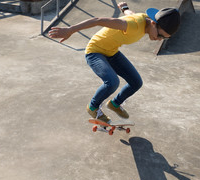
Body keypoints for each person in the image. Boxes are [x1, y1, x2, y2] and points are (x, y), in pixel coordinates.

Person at [49, 2, 180, 123]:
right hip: (95, 51)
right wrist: (70, 30)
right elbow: (98, 21)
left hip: (111, 52)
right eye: (160, 35)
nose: (159, 39)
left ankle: (115, 104)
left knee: (136, 82)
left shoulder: (144, 21)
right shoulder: (132, 25)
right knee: (112, 82)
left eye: (164, 38)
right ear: (153, 23)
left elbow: (130, 14)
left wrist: (124, 9)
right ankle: (93, 107)